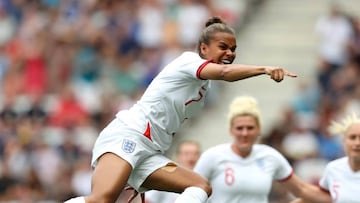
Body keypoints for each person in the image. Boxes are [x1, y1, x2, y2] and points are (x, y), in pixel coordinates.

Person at [64, 16, 297, 203]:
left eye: (233, 49)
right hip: (130, 134)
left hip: (150, 150)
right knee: (102, 199)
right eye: (223, 47)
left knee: (200, 186)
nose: (230, 53)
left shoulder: (203, 89)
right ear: (204, 49)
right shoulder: (188, 61)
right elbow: (225, 73)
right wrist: (264, 68)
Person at [193, 95, 331, 203]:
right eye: (239, 128)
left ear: (259, 130)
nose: (245, 133)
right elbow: (191, 192)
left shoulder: (270, 156)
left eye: (250, 128)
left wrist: (339, 196)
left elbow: (301, 189)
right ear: (231, 130)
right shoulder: (212, 156)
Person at [291, 113, 360, 203]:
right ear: (343, 141)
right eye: (352, 137)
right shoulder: (333, 168)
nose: (357, 143)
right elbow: (319, 196)